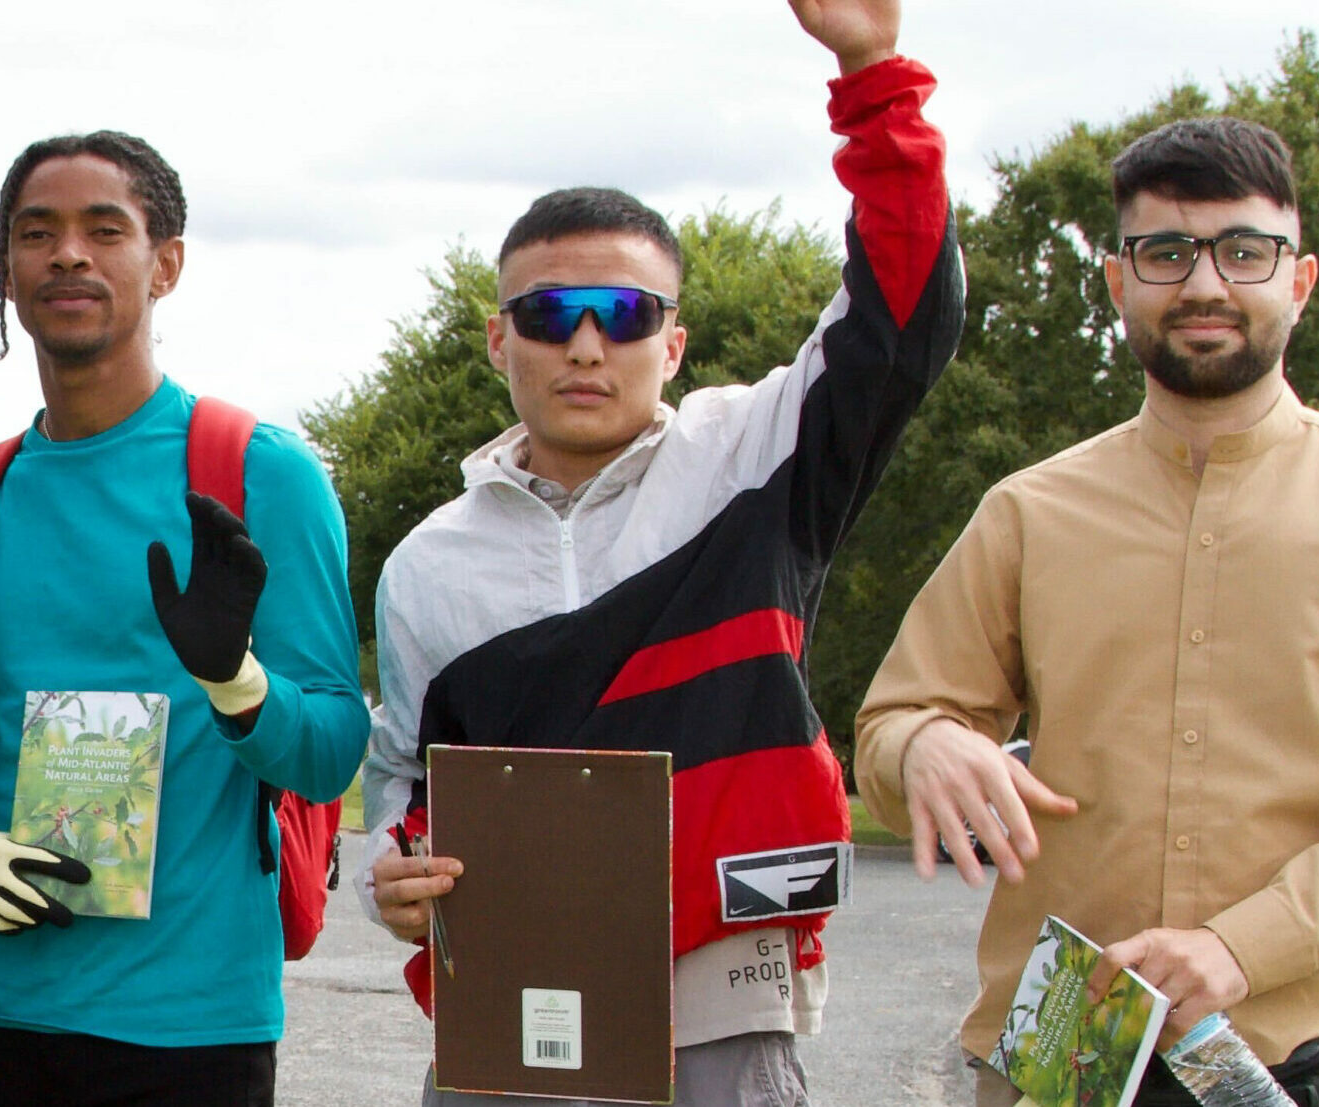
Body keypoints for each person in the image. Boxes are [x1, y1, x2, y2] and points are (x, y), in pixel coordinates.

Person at [355, 2, 959, 1102]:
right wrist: (389, 878)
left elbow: (902, 321)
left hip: (724, 989)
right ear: (499, 339)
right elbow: (403, 777)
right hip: (506, 1002)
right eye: (548, 313)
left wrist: (875, 74)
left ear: (672, 344)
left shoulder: (755, 458)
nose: (586, 343)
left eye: (624, 312)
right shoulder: (426, 565)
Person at [856, 116, 1319, 1107]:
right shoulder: (1029, 513)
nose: (1205, 285)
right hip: (1061, 1062)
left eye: (1244, 251)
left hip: (1307, 1052)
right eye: (1165, 253)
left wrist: (1239, 951)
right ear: (1119, 284)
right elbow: (890, 731)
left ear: (1300, 279)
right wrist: (922, 746)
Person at [0, 131, 365, 1107]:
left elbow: (327, 753)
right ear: (5, 269)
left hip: (196, 1027)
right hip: (2, 1016)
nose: (68, 254)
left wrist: (238, 685)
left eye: (104, 230)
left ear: (166, 264)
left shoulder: (259, 474)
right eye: (38, 233)